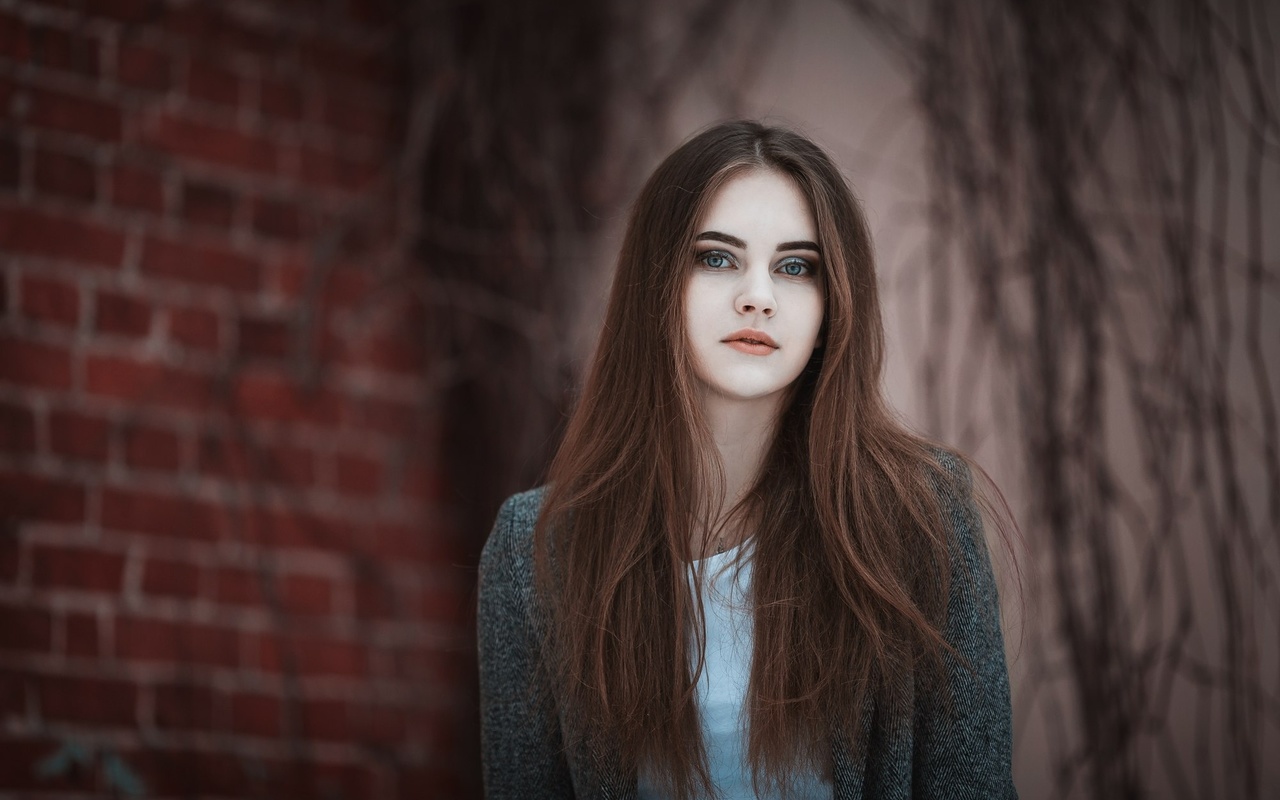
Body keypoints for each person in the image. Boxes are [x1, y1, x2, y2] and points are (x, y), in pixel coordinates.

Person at [477, 120, 1017, 799]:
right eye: (717, 257)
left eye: (796, 267)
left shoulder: (920, 520)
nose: (757, 296)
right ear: (656, 284)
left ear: (832, 305)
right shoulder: (535, 551)